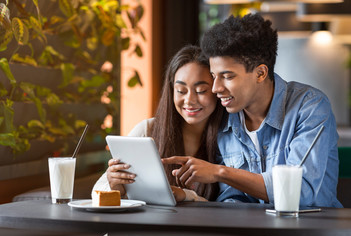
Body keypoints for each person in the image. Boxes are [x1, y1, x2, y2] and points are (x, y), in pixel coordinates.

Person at [162, 14, 343, 207]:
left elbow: (299, 192)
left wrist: (219, 172)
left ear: (260, 73)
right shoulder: (226, 120)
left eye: (227, 76)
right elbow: (233, 199)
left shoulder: (309, 108)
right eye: (214, 76)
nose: (215, 88)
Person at [92, 45, 226, 202]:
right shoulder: (147, 130)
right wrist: (115, 186)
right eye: (181, 91)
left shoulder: (231, 137)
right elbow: (96, 193)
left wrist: (186, 195)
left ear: (217, 90)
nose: (189, 100)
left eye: (201, 90)